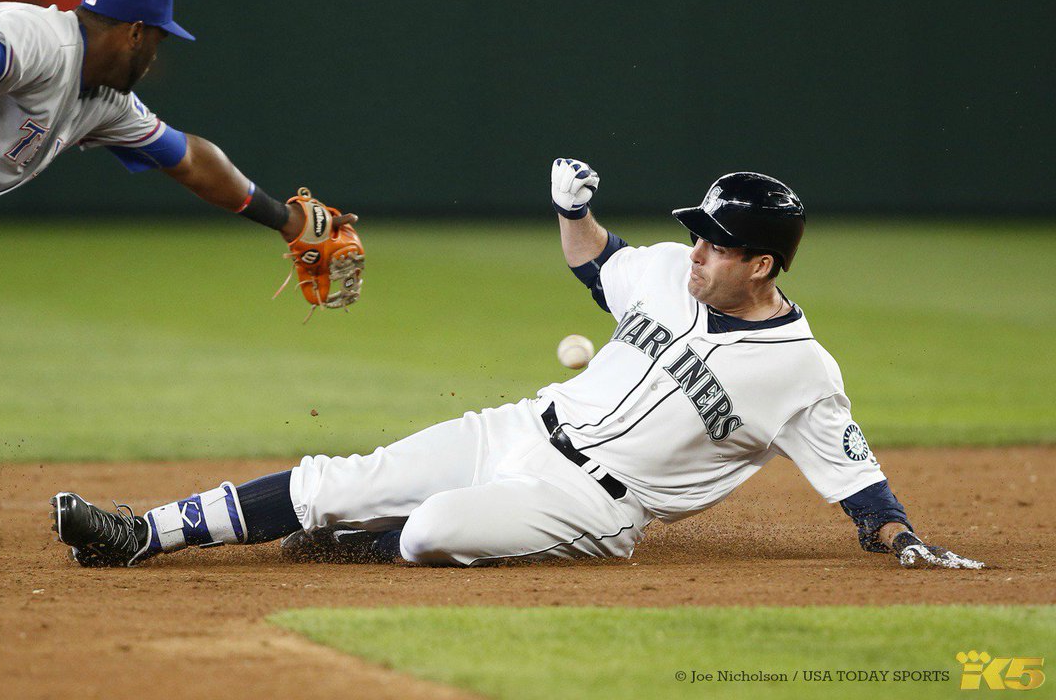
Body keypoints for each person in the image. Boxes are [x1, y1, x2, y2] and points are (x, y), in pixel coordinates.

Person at [49, 161, 982, 571]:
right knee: (342, 477)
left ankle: (361, 543)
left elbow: (862, 489)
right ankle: (141, 534)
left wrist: (901, 540)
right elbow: (594, 262)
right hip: (522, 426)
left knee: (428, 530)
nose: (693, 251)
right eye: (695, 234)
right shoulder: (663, 271)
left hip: (593, 506)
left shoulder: (801, 373)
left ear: (763, 264)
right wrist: (572, 207)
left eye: (715, 245)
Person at [0, 0, 355, 558]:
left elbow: (190, 160)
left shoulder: (105, 105)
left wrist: (284, 219)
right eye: (159, 41)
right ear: (136, 32)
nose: (156, 59)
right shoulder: (47, 36)